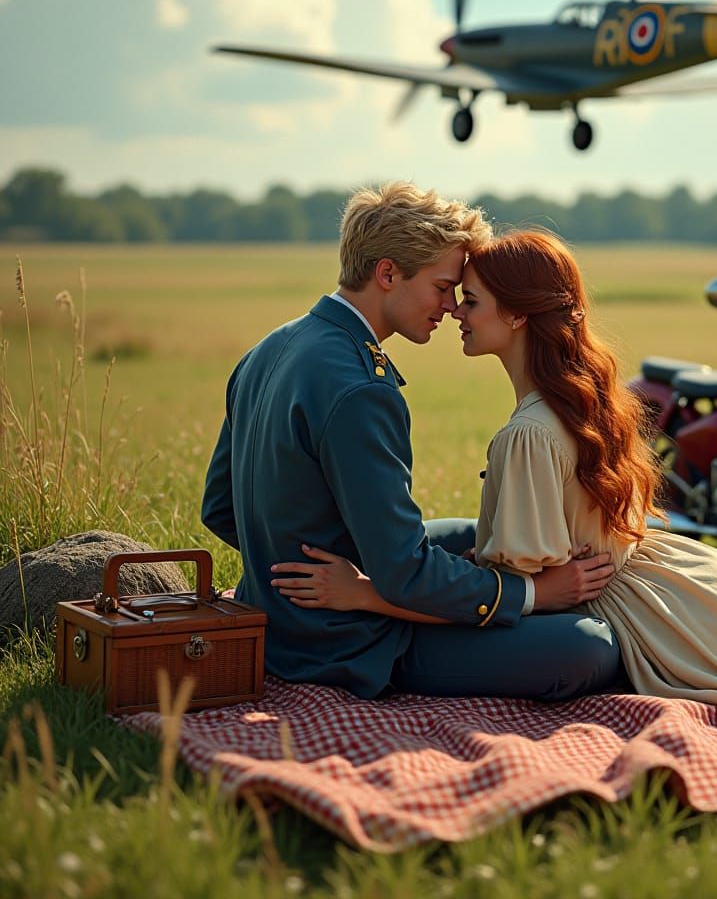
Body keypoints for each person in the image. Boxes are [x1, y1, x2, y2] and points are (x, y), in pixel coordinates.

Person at [275, 229, 717, 711]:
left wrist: (369, 596)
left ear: (520, 317)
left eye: (473, 301)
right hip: (681, 573)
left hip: (631, 606)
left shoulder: (525, 437)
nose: (459, 314)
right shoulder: (586, 400)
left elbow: (519, 594)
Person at [202, 187, 623, 702]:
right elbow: (404, 576)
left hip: (293, 607)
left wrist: (288, 567)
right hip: (351, 640)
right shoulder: (361, 388)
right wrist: (535, 593)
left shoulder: (269, 347)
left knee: (477, 532)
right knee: (591, 646)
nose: (450, 308)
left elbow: (220, 509)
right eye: (443, 287)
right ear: (387, 275)